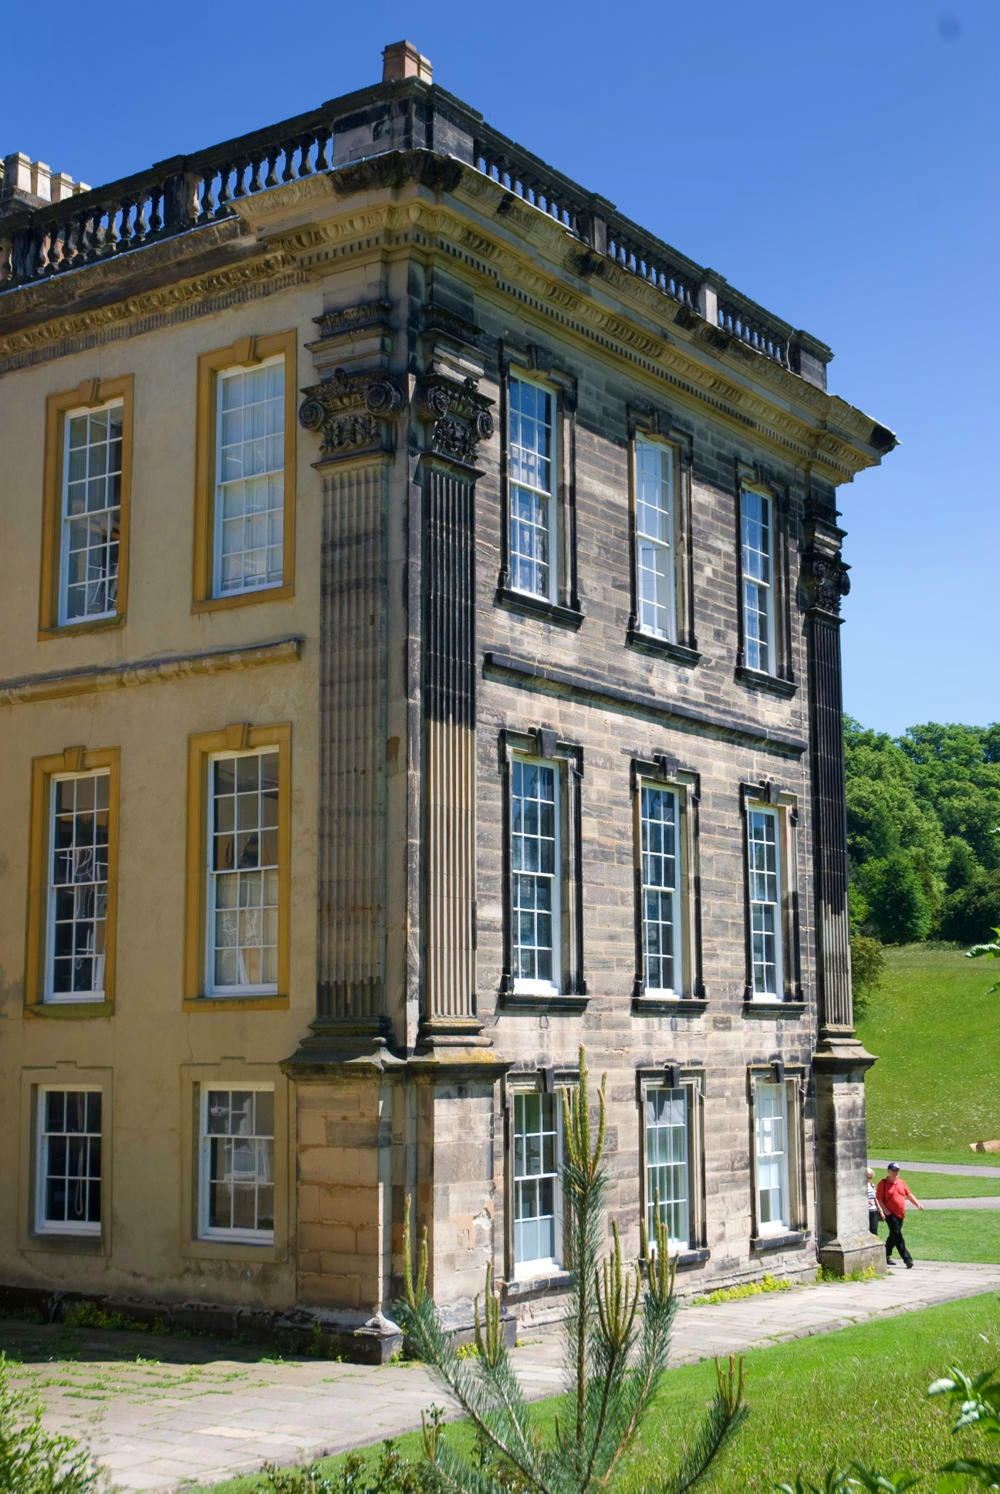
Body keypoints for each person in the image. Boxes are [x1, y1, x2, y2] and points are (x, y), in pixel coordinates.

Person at [875, 1162, 924, 1268]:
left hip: (900, 1214)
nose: (895, 1173)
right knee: (898, 1236)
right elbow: (879, 1199)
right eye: (893, 1171)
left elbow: (909, 1195)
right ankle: (907, 1259)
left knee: (893, 1236)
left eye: (897, 1171)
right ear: (888, 1171)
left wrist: (917, 1204)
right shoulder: (883, 1183)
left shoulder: (901, 1182)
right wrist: (885, 1211)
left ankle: (885, 1255)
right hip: (890, 1214)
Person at [867, 1167, 885, 1236]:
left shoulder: (872, 1185)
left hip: (873, 1211)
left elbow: (875, 1198)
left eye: (871, 1177)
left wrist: (880, 1211)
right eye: (868, 1177)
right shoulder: (859, 1186)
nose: (869, 1179)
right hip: (865, 1212)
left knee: (874, 1232)